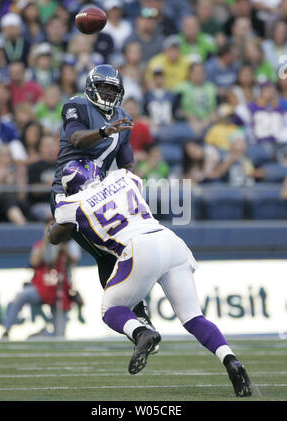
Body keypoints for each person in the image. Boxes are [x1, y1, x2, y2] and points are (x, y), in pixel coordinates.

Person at [48, 159, 252, 398]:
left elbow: (54, 236)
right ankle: (231, 360)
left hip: (138, 248)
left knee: (110, 308)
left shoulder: (71, 203)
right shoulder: (123, 177)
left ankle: (140, 332)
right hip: (170, 241)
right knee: (193, 317)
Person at [50, 64, 158, 337]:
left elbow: (127, 164)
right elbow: (76, 138)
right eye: (104, 88)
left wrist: (131, 189)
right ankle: (133, 317)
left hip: (100, 193)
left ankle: (138, 314)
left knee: (126, 248)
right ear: (91, 87)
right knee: (105, 252)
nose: (108, 93)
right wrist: (104, 131)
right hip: (68, 191)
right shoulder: (76, 106)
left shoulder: (123, 116)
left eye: (113, 89)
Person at [2, 222, 81, 339]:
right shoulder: (39, 245)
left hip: (60, 289)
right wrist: (45, 241)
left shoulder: (69, 244)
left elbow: (74, 259)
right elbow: (34, 262)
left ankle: (42, 334)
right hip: (41, 286)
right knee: (21, 296)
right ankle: (7, 329)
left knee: (59, 334)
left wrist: (63, 248)